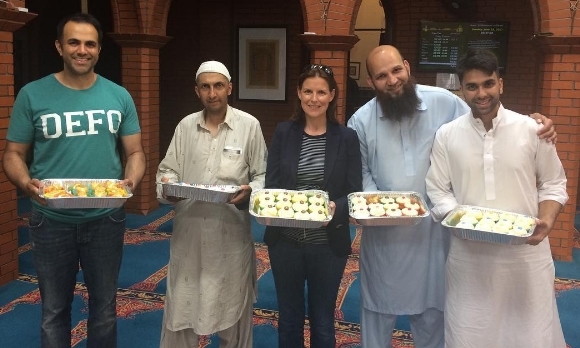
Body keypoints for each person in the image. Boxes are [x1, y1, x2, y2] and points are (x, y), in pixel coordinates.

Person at [346, 45, 556, 348]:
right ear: (370, 82)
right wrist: (382, 206)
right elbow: (362, 172)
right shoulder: (360, 121)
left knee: (433, 314)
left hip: (436, 234)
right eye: (381, 76)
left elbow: (484, 121)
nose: (392, 80)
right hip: (385, 238)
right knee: (377, 311)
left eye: (396, 70)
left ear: (406, 66)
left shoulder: (444, 102)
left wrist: (532, 120)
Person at [2, 12, 146, 348]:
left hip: (105, 219)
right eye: (74, 42)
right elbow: (12, 154)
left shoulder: (119, 96)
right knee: (53, 310)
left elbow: (136, 153)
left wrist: (130, 182)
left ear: (98, 50)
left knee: (105, 308)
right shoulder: (32, 95)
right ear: (59, 47)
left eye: (90, 44)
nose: (82, 50)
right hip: (51, 221)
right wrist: (25, 184)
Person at [425, 48, 567, 348]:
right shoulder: (447, 135)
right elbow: (437, 189)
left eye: (488, 83)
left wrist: (548, 220)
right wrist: (464, 220)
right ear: (461, 89)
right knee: (469, 335)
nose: (481, 93)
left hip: (524, 258)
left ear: (500, 83)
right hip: (469, 259)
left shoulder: (532, 130)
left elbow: (554, 184)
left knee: (528, 336)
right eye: (472, 86)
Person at [156, 60, 267, 348]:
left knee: (232, 312)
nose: (212, 93)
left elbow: (262, 176)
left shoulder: (249, 126)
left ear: (229, 88)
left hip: (229, 236)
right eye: (205, 87)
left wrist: (249, 192)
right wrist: (169, 188)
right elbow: (166, 171)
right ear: (197, 91)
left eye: (218, 86)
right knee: (183, 308)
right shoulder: (185, 127)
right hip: (189, 236)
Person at [263, 64, 362, 348]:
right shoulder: (284, 132)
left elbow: (355, 192)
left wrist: (335, 207)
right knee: (289, 317)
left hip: (327, 245)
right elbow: (272, 185)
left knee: (322, 319)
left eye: (321, 92)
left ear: (332, 95)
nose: (314, 98)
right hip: (286, 242)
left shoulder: (346, 138)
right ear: (298, 93)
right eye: (308, 91)